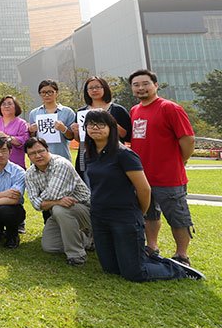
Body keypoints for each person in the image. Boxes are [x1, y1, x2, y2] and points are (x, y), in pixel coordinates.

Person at [84, 109, 203, 280]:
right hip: (99, 216)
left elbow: (144, 189)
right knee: (110, 269)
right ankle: (148, 258)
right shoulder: (90, 154)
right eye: (91, 124)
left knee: (135, 273)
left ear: (111, 128)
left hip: (124, 216)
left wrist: (139, 212)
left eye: (101, 124)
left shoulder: (124, 154)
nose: (95, 128)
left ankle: (177, 269)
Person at [128, 69, 197, 267]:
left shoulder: (170, 108)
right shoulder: (135, 110)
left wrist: (179, 161)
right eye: (136, 85)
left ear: (155, 85)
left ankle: (181, 255)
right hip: (143, 177)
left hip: (169, 178)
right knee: (149, 215)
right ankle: (152, 247)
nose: (141, 88)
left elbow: (188, 140)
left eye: (145, 83)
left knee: (178, 218)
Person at [24, 137, 92, 266]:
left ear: (47, 149)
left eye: (41, 151)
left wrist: (48, 202)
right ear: (28, 156)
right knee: (50, 246)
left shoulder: (61, 164)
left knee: (59, 209)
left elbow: (52, 194)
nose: (38, 156)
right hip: (61, 212)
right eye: (32, 153)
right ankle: (88, 239)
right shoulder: (30, 173)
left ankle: (76, 255)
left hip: (86, 210)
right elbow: (34, 204)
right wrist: (57, 201)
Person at [70, 76, 131, 184]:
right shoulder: (81, 112)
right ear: (86, 91)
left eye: (98, 87)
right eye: (91, 88)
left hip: (112, 154)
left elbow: (126, 135)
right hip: (88, 155)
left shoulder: (117, 110)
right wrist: (76, 132)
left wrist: (110, 121)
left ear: (105, 88)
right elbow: (80, 140)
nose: (94, 90)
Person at [28, 79, 76, 162]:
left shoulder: (67, 112)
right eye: (43, 92)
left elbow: (71, 136)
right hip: (40, 157)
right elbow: (32, 138)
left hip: (61, 156)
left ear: (56, 93)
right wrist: (31, 130)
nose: (46, 95)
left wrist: (63, 129)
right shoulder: (34, 113)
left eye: (50, 92)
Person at [0, 95, 29, 169]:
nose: (6, 106)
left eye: (10, 104)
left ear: (16, 107)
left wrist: (7, 137)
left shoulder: (22, 123)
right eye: (3, 104)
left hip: (15, 163)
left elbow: (23, 142)